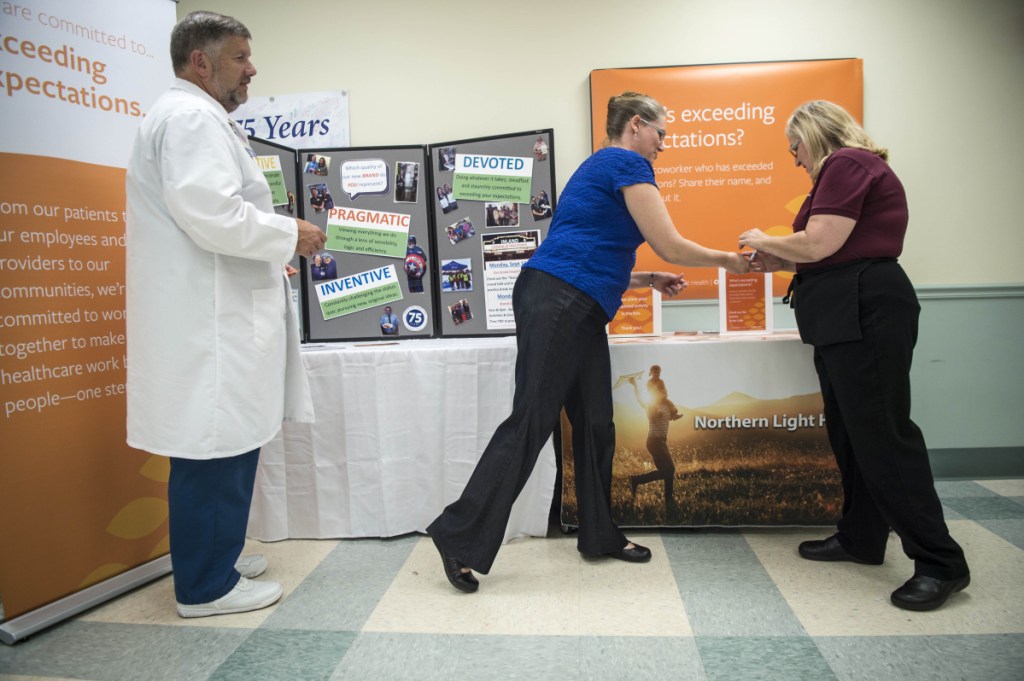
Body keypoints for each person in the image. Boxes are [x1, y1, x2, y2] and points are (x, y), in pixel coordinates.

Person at [427, 91, 749, 593]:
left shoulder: (599, 167)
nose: (664, 144)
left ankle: (599, 534)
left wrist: (646, 280)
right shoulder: (625, 162)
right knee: (532, 418)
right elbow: (669, 241)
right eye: (661, 133)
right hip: (561, 300)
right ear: (637, 126)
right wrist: (729, 260)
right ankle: (458, 533)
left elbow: (591, 247)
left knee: (596, 421)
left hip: (572, 300)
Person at [125, 10, 327, 619]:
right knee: (212, 452)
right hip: (208, 327)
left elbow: (207, 219)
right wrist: (286, 233)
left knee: (225, 449)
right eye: (240, 56)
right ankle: (206, 586)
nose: (252, 67)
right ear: (201, 62)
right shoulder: (189, 118)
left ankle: (217, 557)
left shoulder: (193, 117)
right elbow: (211, 214)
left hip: (212, 316)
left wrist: (268, 251)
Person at [738, 100, 970, 612]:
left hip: (865, 307)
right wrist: (774, 259)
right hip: (844, 310)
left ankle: (941, 562)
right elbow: (828, 249)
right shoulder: (844, 173)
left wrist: (764, 238)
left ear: (813, 135)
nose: (795, 159)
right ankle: (861, 535)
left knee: (884, 436)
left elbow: (820, 242)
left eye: (793, 147)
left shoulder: (846, 163)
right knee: (850, 432)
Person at [627, 365, 682, 515]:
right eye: (659, 390)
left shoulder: (666, 405)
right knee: (670, 469)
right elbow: (640, 399)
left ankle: (636, 480)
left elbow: (669, 416)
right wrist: (634, 385)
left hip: (660, 441)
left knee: (665, 471)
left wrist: (673, 416)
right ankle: (668, 500)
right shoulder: (651, 406)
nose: (662, 392)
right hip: (654, 441)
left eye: (663, 390)